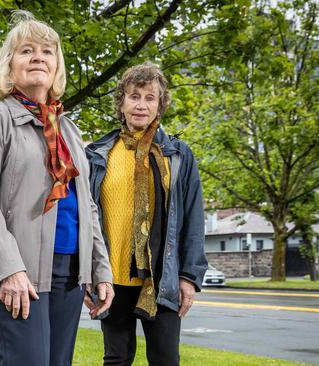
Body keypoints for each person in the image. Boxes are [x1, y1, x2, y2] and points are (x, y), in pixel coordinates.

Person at [0, 11, 114, 366]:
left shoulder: (69, 130)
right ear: (9, 64)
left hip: (69, 272)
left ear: (57, 64)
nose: (38, 58)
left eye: (47, 51)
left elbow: (87, 205)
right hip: (17, 272)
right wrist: (10, 269)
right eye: (26, 50)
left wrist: (99, 270)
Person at [85, 62, 207, 365]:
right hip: (111, 280)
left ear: (160, 104)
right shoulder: (98, 154)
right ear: (122, 102)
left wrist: (189, 277)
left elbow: (193, 218)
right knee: (116, 359)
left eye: (149, 97)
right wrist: (87, 273)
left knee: (166, 360)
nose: (141, 105)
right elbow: (86, 220)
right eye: (134, 96)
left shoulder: (178, 155)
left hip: (162, 279)